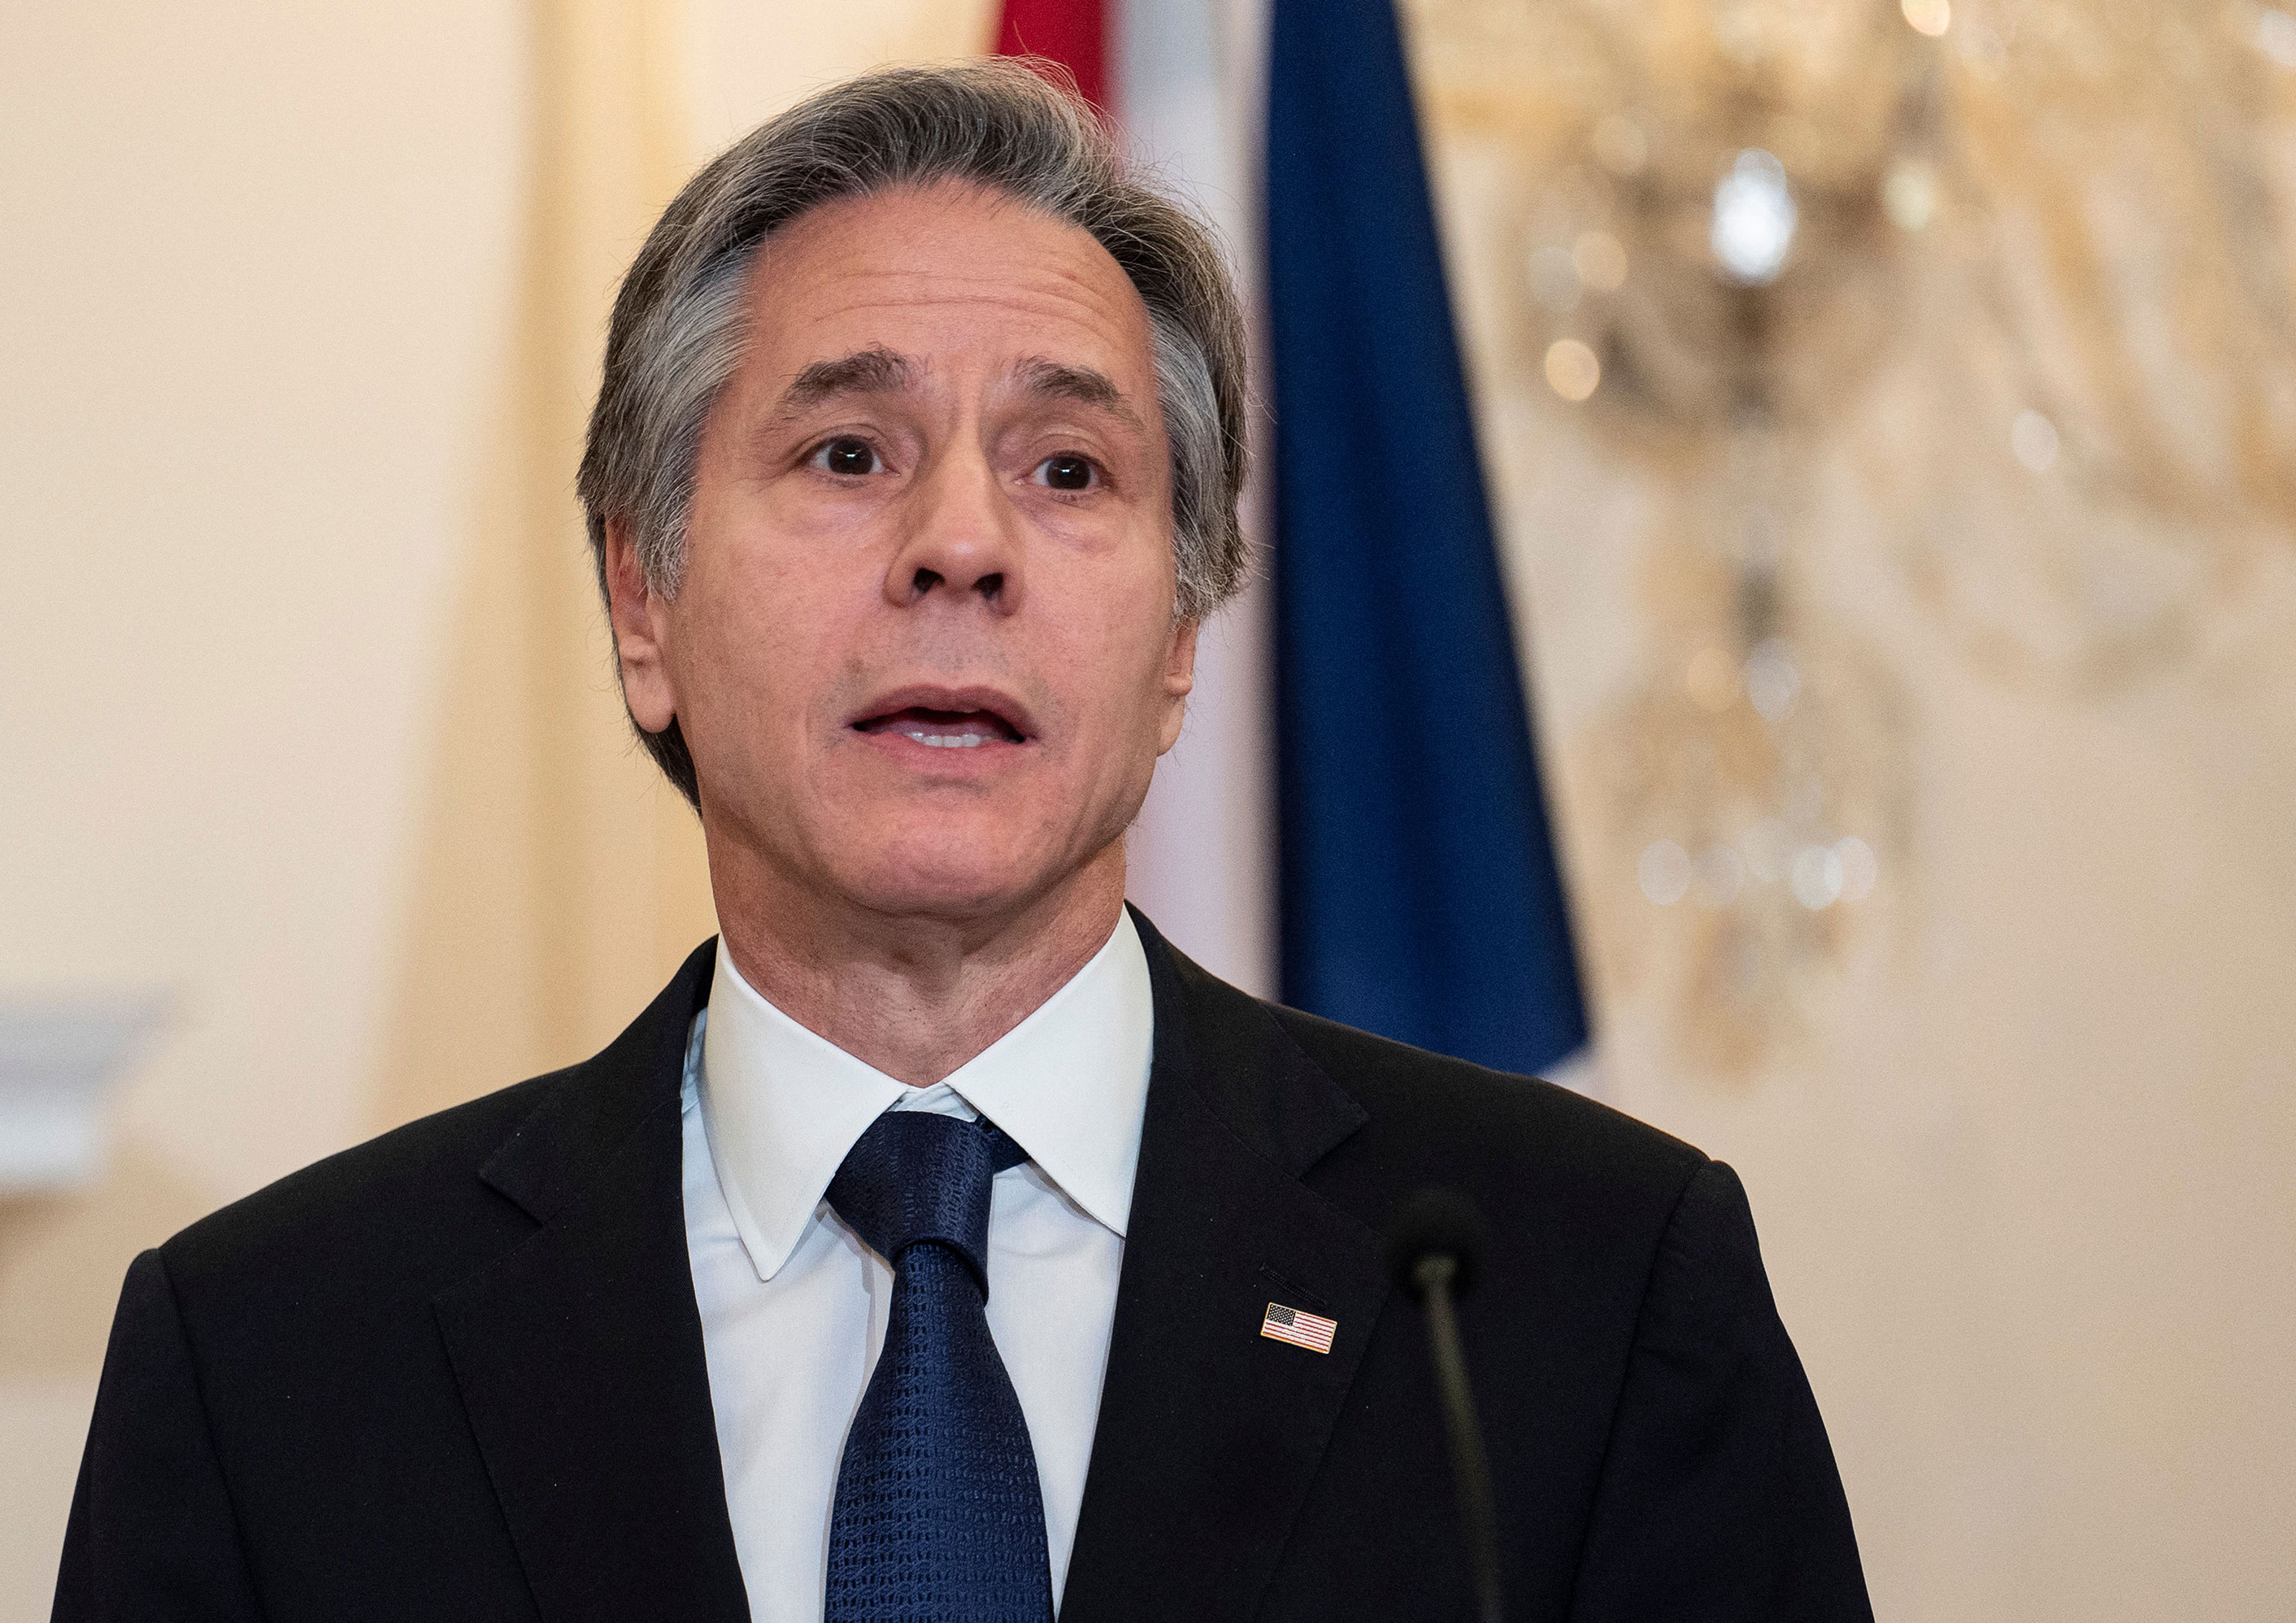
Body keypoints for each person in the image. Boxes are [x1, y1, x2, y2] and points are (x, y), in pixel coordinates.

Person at [53, 60, 1870, 1623]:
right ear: (641, 597)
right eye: (849, 453)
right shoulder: (276, 1361)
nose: (962, 545)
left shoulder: (1581, 1294)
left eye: (1068, 469)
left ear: (1180, 636)